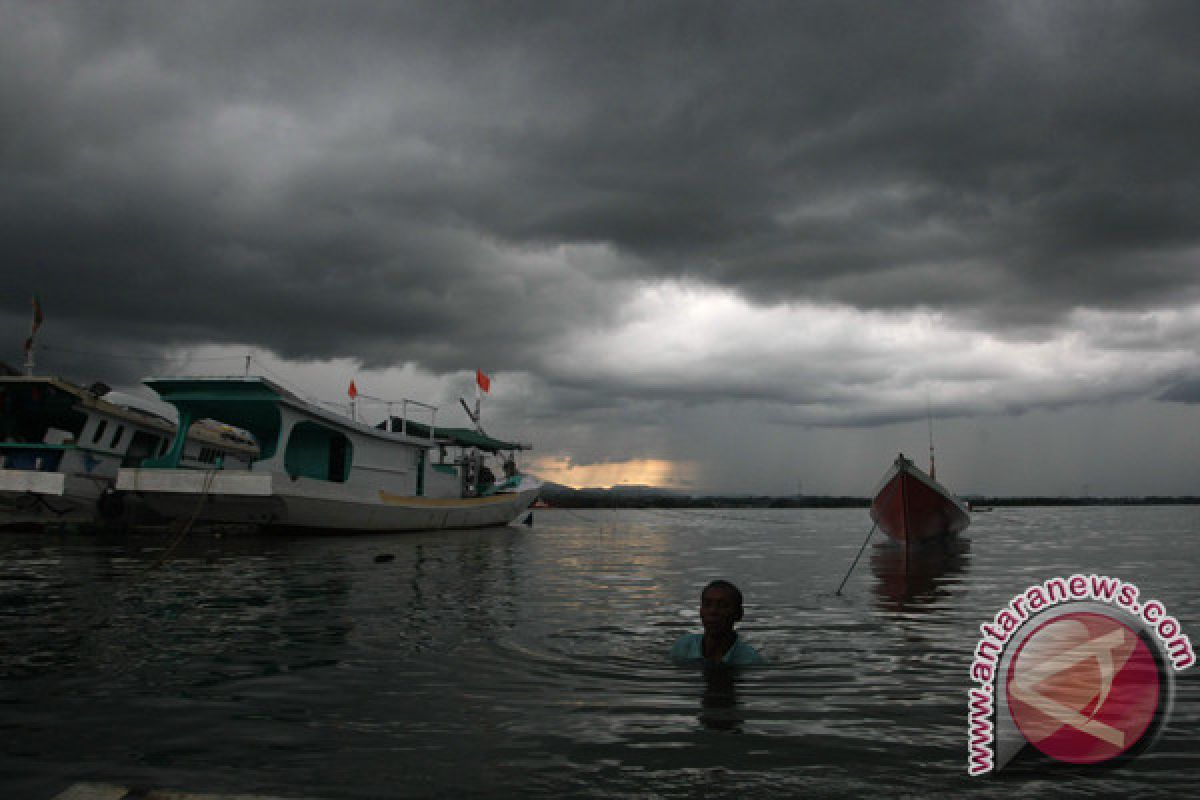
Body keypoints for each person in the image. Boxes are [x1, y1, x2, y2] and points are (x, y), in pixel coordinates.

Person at [670, 580, 765, 667]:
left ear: (738, 614)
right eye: (707, 604)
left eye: (722, 606)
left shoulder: (750, 661)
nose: (713, 611)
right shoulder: (683, 647)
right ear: (700, 611)